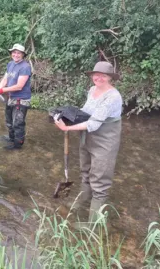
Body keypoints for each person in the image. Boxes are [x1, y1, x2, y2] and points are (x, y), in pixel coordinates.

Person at [54, 61, 122, 226]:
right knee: (86, 174)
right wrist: (67, 117)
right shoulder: (92, 90)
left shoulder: (113, 96)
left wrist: (67, 129)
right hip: (87, 138)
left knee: (100, 183)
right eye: (96, 74)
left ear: (110, 78)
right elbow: (85, 113)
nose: (98, 78)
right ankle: (78, 204)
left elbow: (94, 123)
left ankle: (92, 226)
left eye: (103, 75)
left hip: (105, 142)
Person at [0, 43, 32, 150]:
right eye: (14, 52)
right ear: (11, 53)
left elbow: (19, 86)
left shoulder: (25, 67)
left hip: (21, 100)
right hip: (11, 97)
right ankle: (12, 139)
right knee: (9, 121)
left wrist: (1, 90)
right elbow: (5, 79)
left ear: (23, 55)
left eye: (19, 53)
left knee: (18, 123)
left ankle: (17, 145)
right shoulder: (11, 64)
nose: (16, 55)